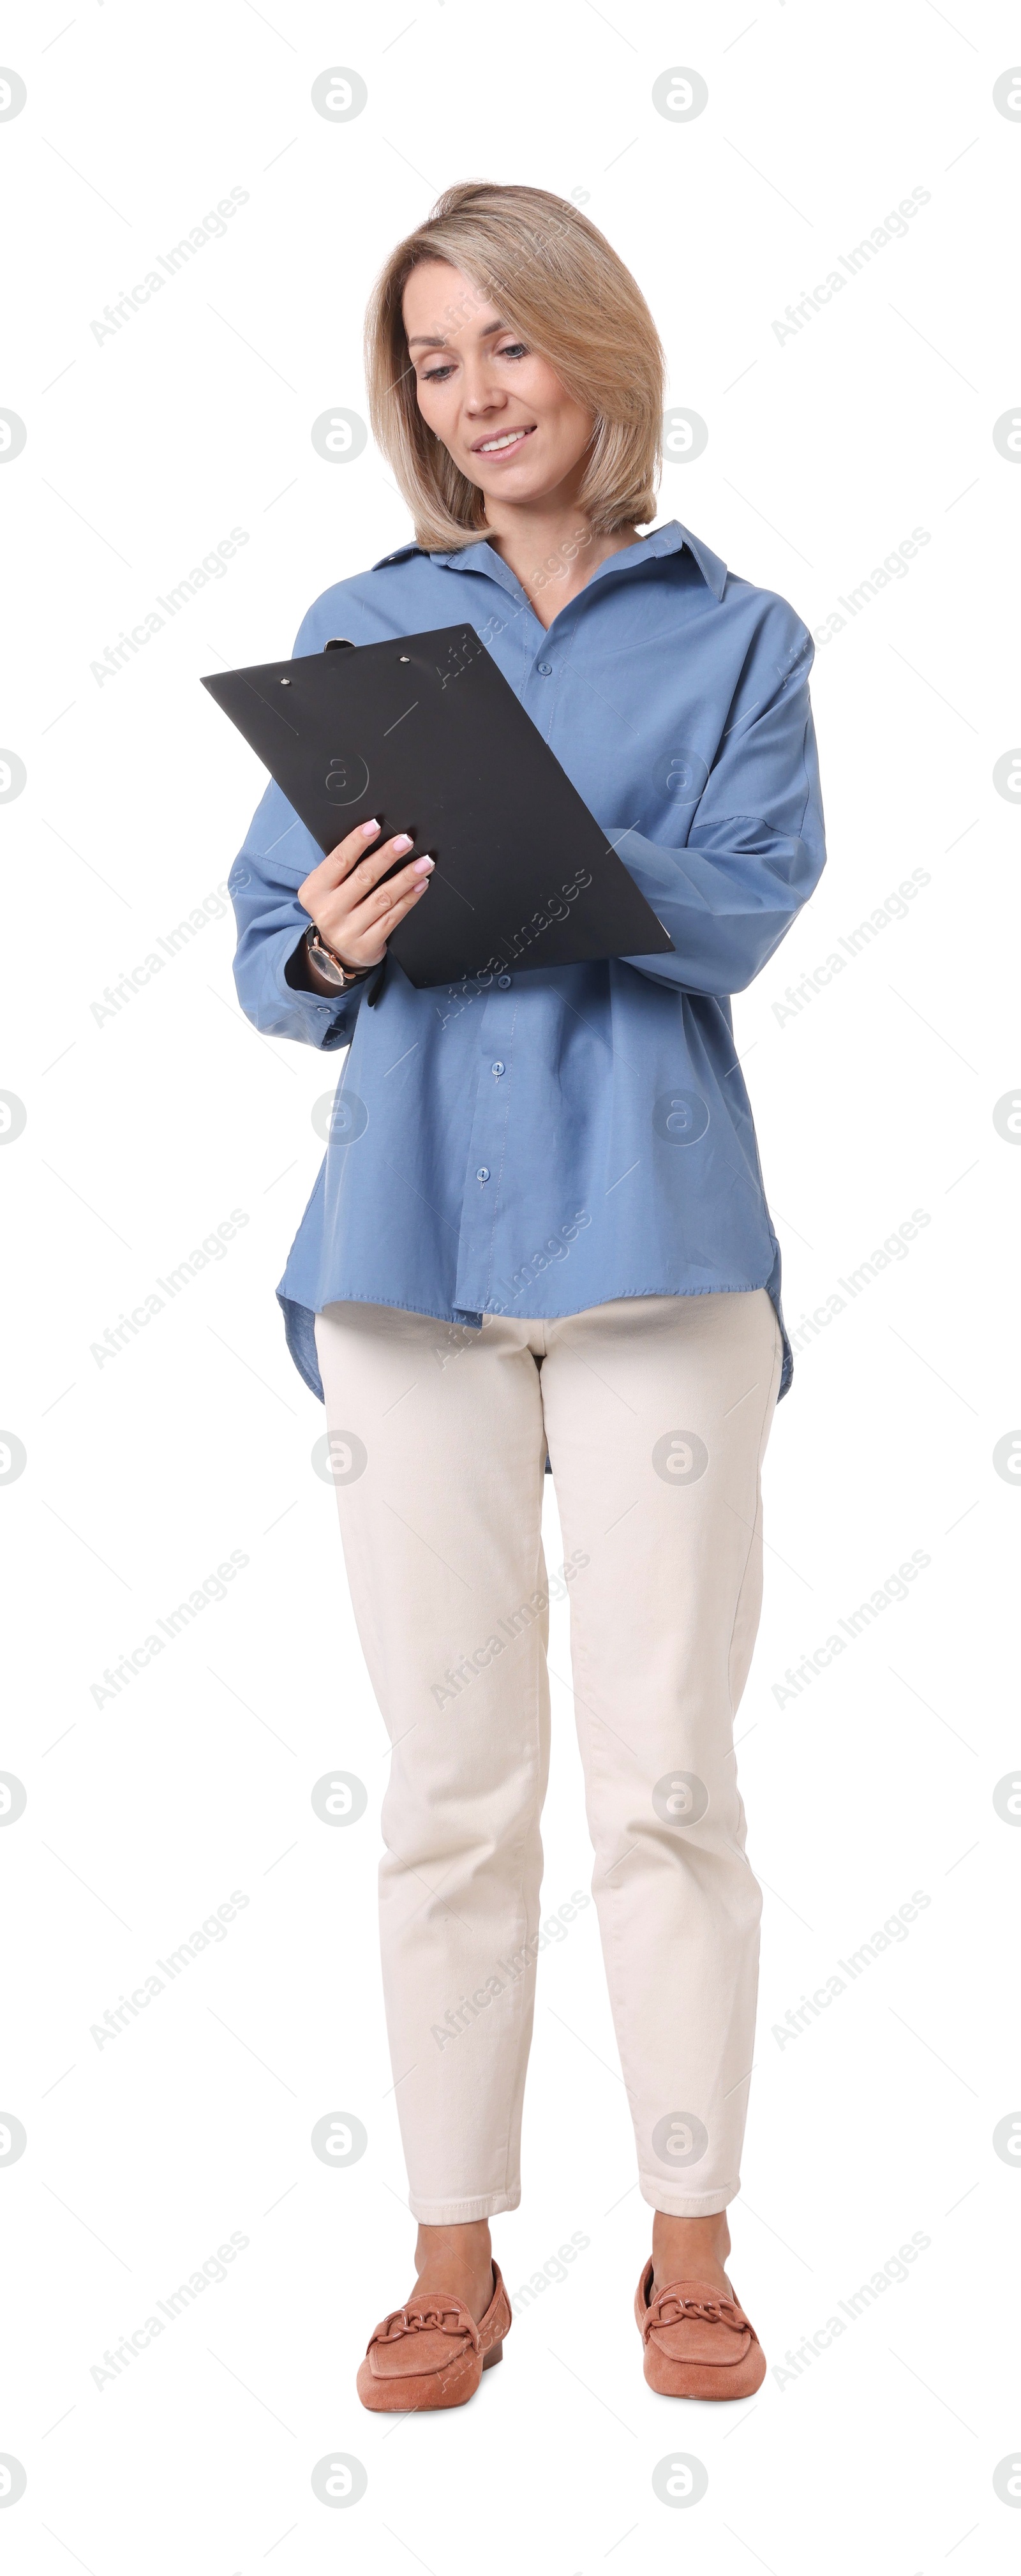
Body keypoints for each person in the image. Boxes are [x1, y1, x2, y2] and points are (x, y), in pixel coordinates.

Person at [229, 181, 826, 2412]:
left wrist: (543, 849)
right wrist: (341, 940)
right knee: (449, 1782)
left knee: (668, 1771)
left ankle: (691, 2243)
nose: (476, 394)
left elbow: (752, 909)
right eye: (433, 358)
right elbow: (267, 948)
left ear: (600, 349)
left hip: (662, 1249)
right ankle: (449, 2257)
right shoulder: (362, 622)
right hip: (406, 1256)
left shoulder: (740, 631)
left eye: (511, 345)